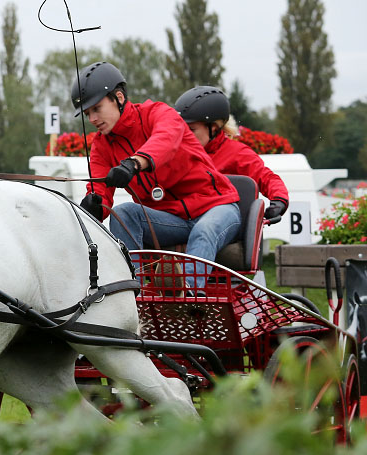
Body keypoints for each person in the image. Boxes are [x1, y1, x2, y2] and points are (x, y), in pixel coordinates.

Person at [72, 62, 241, 289]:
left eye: (97, 108)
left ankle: (185, 293)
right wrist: (94, 206)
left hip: (217, 207)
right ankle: (134, 293)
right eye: (87, 113)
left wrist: (135, 163)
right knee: (123, 213)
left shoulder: (159, 113)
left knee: (204, 230)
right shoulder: (101, 146)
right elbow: (100, 191)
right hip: (172, 220)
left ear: (119, 97)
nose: (92, 119)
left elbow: (165, 141)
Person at [174, 85, 289, 224]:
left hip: (219, 223)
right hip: (180, 220)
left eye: (190, 130)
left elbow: (267, 177)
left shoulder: (237, 153)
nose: (183, 136)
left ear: (213, 128)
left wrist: (279, 200)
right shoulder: (175, 153)